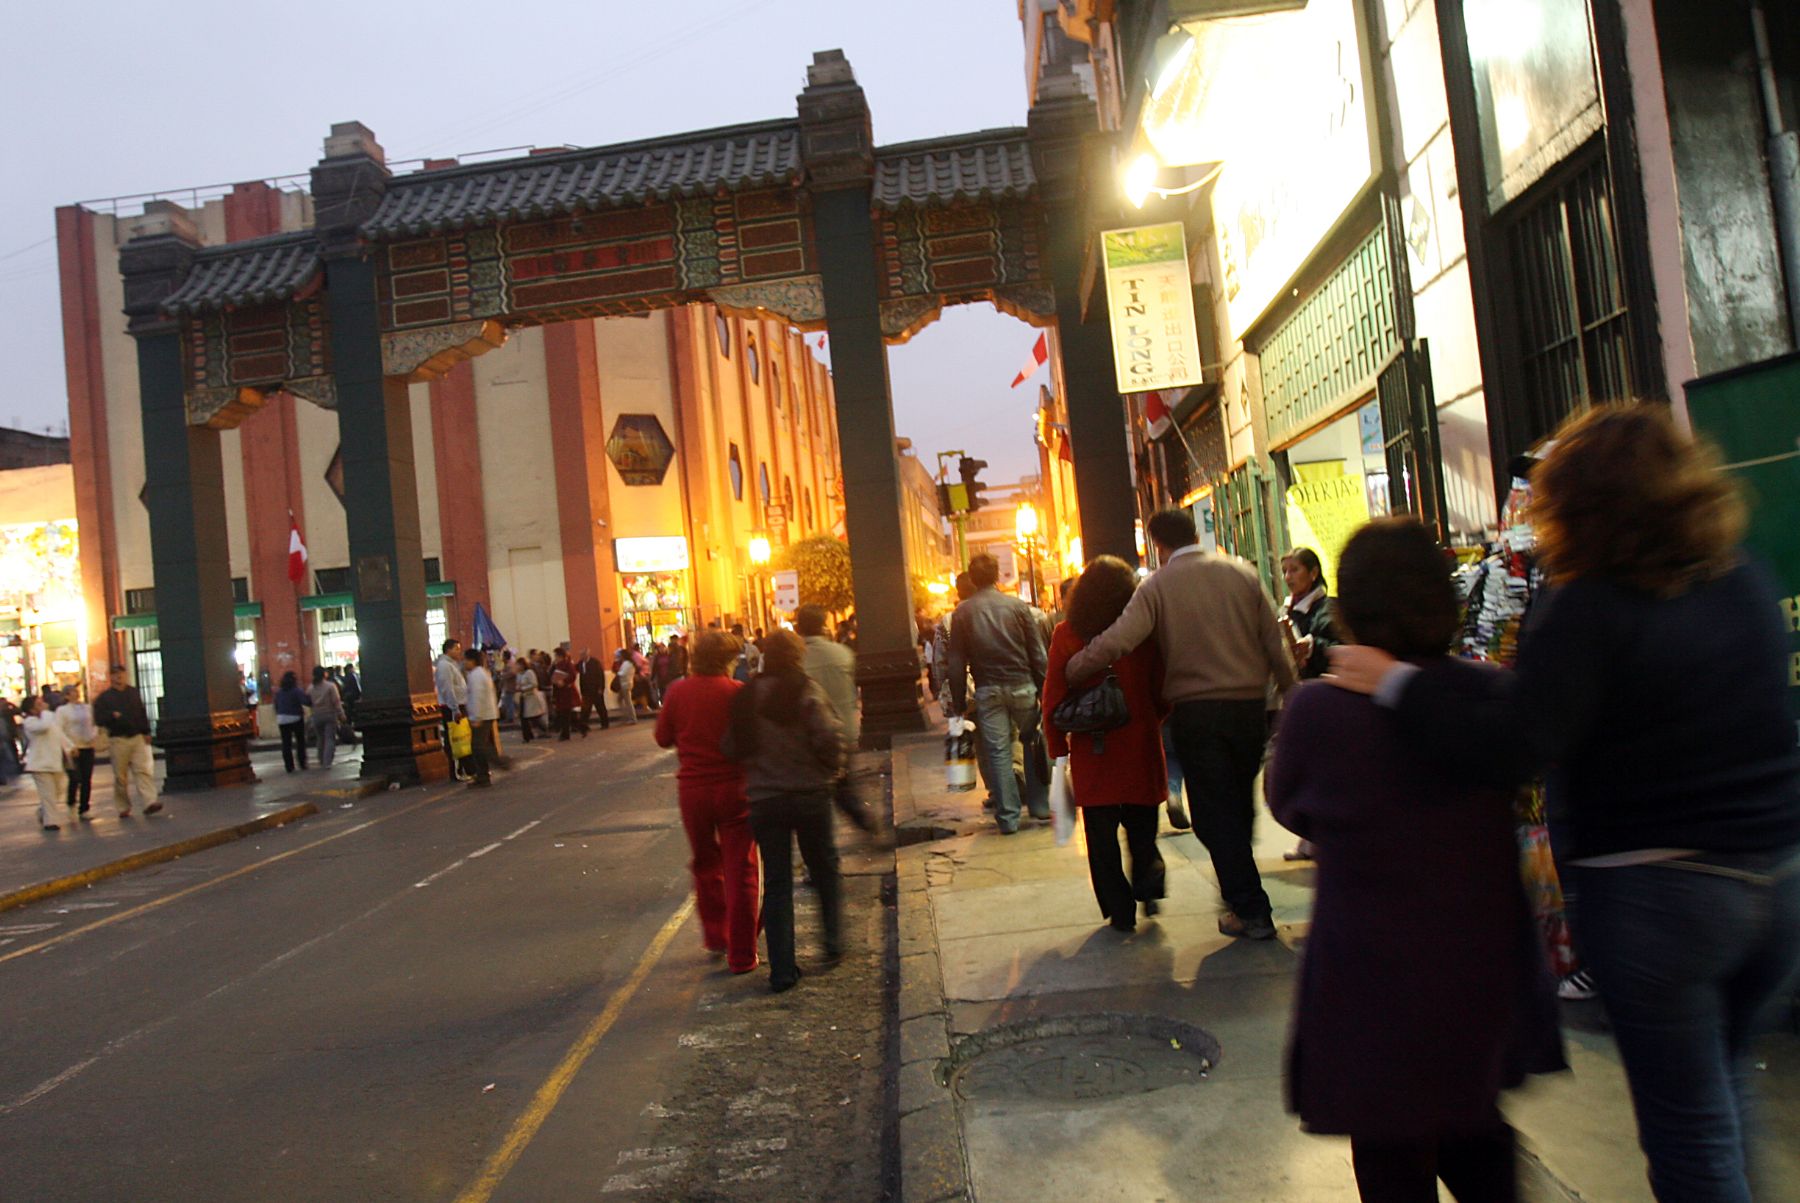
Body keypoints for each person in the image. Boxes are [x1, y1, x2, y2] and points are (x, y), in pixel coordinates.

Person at [1331, 406, 1800, 1200]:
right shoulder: (1744, 581)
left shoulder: (1589, 606)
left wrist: (1397, 683)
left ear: (1574, 505)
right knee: (1726, 1097)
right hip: (1777, 882)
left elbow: (1518, 743)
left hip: (1661, 896)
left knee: (1692, 1129)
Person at [1270, 518, 1563, 1200]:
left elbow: (1289, 803)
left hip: (1370, 983)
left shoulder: (1318, 710)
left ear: (1348, 608)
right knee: (1478, 1140)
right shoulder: (1486, 694)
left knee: (1391, 1162)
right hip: (1479, 972)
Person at [1066, 509, 1295, 940]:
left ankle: (1250, 907)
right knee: (1238, 805)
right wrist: (1291, 690)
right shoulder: (1242, 573)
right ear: (1195, 533)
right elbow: (1273, 640)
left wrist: (1076, 667)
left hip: (1199, 712)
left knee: (1211, 816)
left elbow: (1120, 637)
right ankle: (1238, 891)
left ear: (1156, 543)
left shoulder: (1158, 586)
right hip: (1249, 710)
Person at [1042, 556, 1170, 932]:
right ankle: (1148, 886)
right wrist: (1153, 718)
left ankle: (1120, 910)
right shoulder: (1143, 631)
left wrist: (1058, 749)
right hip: (1139, 741)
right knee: (1143, 828)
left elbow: (1053, 697)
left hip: (1092, 750)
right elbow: (1162, 688)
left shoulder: (1066, 633)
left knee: (1100, 839)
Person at [725, 630, 844, 993]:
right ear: (798, 655)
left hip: (765, 799)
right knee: (824, 868)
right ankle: (833, 943)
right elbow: (828, 736)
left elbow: (730, 746)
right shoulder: (807, 690)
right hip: (809, 793)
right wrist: (828, 769)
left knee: (777, 883)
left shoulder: (746, 697)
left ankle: (781, 969)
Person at [655, 630, 760, 974]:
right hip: (734, 788)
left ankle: (716, 935)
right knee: (741, 869)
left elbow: (662, 737)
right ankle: (742, 953)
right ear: (728, 660)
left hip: (694, 790)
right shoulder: (737, 693)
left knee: (705, 862)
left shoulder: (678, 691)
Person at [946, 553, 1049, 835]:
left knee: (998, 753)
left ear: (972, 578)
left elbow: (955, 661)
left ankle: (1008, 816)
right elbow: (1037, 653)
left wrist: (958, 703)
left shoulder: (963, 613)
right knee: (1034, 742)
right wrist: (1045, 687)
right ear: (998, 575)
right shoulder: (1017, 607)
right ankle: (1040, 804)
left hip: (988, 689)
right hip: (1022, 685)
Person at [1279, 546, 1341, 862]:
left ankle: (1318, 836)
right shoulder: (1287, 611)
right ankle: (1309, 836)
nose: (1289, 577)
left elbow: (1339, 649)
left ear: (1313, 573)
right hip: (1298, 697)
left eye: (1295, 570)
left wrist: (1313, 647)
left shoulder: (1327, 609)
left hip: (1322, 697)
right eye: (1286, 571)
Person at [93, 663, 160, 817]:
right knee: (120, 776)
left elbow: (141, 712)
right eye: (116, 674)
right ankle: (123, 805)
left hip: (136, 736)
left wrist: (146, 731)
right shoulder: (104, 698)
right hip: (118, 738)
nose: (119, 677)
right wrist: (111, 716)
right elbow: (98, 719)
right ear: (111, 677)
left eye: (121, 673)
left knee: (142, 770)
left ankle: (150, 801)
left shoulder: (133, 693)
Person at [22, 696, 72, 832]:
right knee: (48, 794)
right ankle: (50, 822)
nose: (43, 705)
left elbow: (59, 734)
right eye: (39, 704)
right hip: (39, 764)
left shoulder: (49, 720)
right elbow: (43, 727)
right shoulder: (30, 722)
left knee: (59, 790)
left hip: (55, 761)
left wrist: (70, 747)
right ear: (32, 709)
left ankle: (43, 811)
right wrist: (46, 713)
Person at [58, 683, 99, 818]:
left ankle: (84, 808)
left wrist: (93, 736)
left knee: (86, 778)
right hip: (73, 748)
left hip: (88, 746)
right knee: (75, 777)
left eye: (76, 691)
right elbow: (59, 730)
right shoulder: (62, 711)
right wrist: (69, 747)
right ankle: (71, 802)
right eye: (71, 692)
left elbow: (94, 723)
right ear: (66, 696)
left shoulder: (87, 708)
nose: (75, 694)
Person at [461, 647, 497, 787]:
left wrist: (476, 716)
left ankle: (485, 773)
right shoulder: (482, 673)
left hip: (481, 715)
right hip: (486, 713)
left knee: (477, 746)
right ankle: (489, 769)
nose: (464, 662)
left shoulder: (475, 676)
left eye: (465, 659)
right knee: (481, 744)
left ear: (472, 661)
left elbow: (477, 697)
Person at [434, 638, 469, 780]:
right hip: (451, 707)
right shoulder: (444, 666)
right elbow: (447, 688)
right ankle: (455, 771)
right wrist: (455, 708)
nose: (458, 652)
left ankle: (462, 768)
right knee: (454, 739)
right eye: (456, 649)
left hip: (458, 705)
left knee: (461, 738)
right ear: (448, 649)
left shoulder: (452, 665)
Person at [307, 665, 345, 768]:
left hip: (316, 716)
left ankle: (321, 758)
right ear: (324, 674)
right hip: (329, 715)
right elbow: (336, 702)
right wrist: (341, 714)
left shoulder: (310, 688)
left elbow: (308, 701)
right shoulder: (330, 686)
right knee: (329, 739)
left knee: (320, 739)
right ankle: (327, 762)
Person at [274, 671, 309, 771]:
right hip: (296, 717)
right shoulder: (296, 690)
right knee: (300, 741)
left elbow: (276, 705)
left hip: (282, 719)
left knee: (286, 743)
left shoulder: (279, 692)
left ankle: (289, 766)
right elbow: (305, 701)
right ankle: (302, 763)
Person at [551, 643, 580, 740]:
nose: (555, 658)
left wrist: (564, 681)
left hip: (567, 692)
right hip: (559, 693)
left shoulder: (568, 664)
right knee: (564, 714)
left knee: (565, 714)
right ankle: (581, 728)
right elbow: (551, 676)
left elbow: (572, 675)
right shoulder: (556, 665)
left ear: (560, 656)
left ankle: (565, 734)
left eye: (556, 656)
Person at [514, 657, 546, 741]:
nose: (517, 667)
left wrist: (524, 688)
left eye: (518, 665)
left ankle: (544, 729)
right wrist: (518, 687)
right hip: (523, 697)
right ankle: (527, 736)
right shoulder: (519, 674)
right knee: (523, 717)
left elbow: (534, 684)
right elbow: (518, 684)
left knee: (534, 716)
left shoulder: (529, 672)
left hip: (531, 697)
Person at [578, 647, 610, 732]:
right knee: (585, 709)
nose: (581, 656)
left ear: (587, 654)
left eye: (582, 655)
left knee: (600, 707)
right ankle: (584, 725)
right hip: (586, 690)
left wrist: (600, 687)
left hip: (596, 689)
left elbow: (600, 676)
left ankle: (605, 723)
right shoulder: (581, 663)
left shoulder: (595, 662)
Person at [612, 648, 640, 724]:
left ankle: (632, 718)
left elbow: (623, 673)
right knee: (621, 700)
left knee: (628, 701)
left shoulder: (627, 664)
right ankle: (627, 716)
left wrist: (618, 673)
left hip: (625, 684)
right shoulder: (628, 663)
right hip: (626, 684)